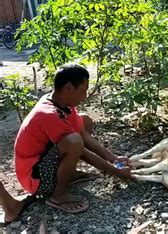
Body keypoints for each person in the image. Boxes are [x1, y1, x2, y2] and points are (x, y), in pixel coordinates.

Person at [1, 63, 131, 225]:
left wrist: (113, 159)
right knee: (74, 142)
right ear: (69, 88)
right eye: (83, 90)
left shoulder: (60, 103)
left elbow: (83, 133)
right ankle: (58, 195)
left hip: (43, 163)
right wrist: (116, 172)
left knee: (84, 121)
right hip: (35, 178)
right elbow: (81, 149)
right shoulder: (49, 114)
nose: (85, 96)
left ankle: (67, 175)